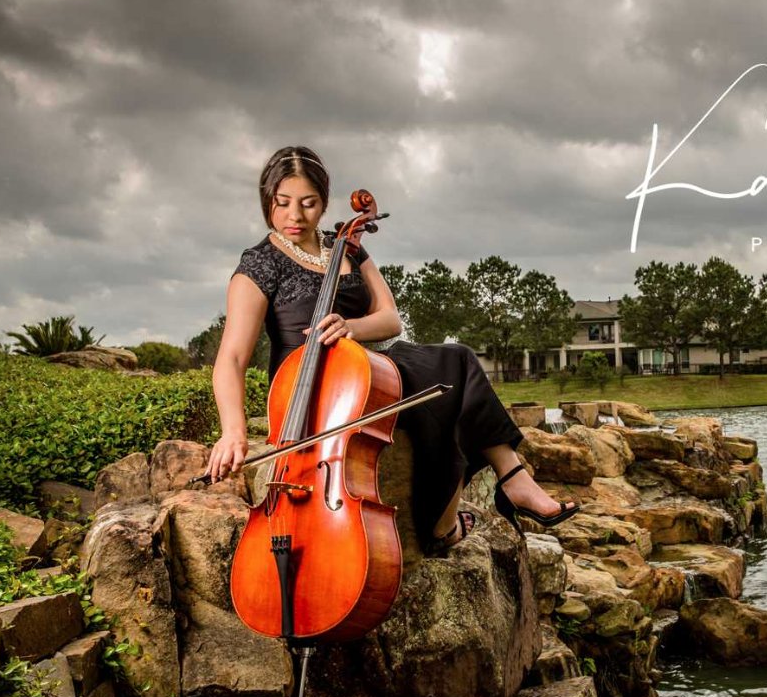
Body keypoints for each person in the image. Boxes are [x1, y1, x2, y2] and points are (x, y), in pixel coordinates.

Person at [204, 146, 578, 553]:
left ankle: (508, 479)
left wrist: (351, 327)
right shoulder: (260, 263)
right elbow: (232, 358)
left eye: (308, 203)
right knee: (447, 374)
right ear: (267, 201)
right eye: (283, 203)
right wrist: (233, 432)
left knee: (457, 358)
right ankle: (460, 513)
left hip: (362, 366)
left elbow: (389, 319)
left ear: (324, 203)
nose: (295, 215)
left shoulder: (345, 246)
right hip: (307, 386)